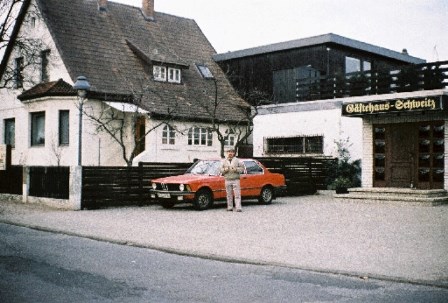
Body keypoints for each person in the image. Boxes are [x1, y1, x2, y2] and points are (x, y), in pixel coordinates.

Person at [220, 148, 244, 212]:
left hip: (236, 179)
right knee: (229, 194)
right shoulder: (224, 161)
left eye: (231, 152)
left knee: (237, 194)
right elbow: (220, 170)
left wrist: (236, 169)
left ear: (234, 153)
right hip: (227, 179)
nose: (230, 153)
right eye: (228, 152)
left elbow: (242, 169)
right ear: (227, 153)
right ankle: (230, 207)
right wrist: (225, 169)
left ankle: (238, 207)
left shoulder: (237, 160)